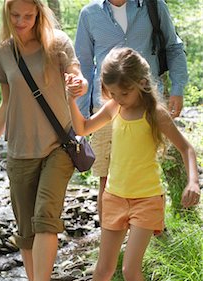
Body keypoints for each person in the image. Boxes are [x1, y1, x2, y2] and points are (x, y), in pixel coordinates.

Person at [66, 47, 200, 281]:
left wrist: (193, 181)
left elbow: (187, 148)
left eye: (124, 93)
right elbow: (82, 129)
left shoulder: (156, 114)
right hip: (114, 197)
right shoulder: (114, 107)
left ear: (141, 83)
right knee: (103, 268)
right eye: (113, 93)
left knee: (130, 270)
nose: (119, 97)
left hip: (147, 199)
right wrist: (71, 100)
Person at [0, 0, 88, 281]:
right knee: (26, 232)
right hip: (20, 150)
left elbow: (78, 77)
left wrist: (78, 84)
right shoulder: (2, 52)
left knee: (44, 218)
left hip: (58, 146)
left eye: (28, 15)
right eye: (15, 15)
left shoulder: (58, 43)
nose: (21, 21)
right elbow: (6, 101)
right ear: (6, 13)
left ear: (39, 13)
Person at [74, 0, 189, 221]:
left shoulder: (154, 6)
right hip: (106, 106)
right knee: (107, 180)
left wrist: (178, 88)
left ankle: (150, 229)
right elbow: (84, 64)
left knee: (146, 169)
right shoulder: (89, 13)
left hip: (147, 104)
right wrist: (83, 114)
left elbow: (173, 47)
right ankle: (112, 242)